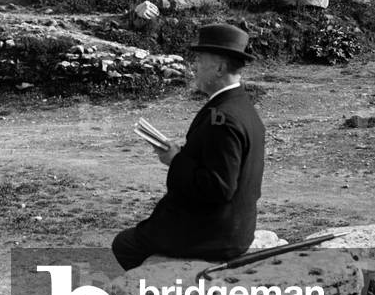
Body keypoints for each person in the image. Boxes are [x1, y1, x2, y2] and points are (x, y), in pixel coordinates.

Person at [112, 23, 265, 271]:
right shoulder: (240, 106)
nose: (195, 68)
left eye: (200, 61)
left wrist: (176, 160)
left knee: (126, 244)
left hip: (217, 234)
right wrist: (186, 155)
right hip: (234, 226)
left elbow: (219, 188)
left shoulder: (223, 117)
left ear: (219, 67)